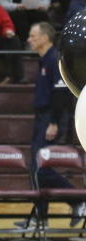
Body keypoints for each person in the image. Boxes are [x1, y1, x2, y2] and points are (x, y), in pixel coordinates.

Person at [24, 21, 86, 225]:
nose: (29, 40)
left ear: (45, 38)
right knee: (35, 167)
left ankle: (77, 200)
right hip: (42, 117)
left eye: (33, 36)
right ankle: (40, 217)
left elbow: (61, 93)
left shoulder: (54, 59)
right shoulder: (44, 60)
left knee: (41, 168)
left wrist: (53, 122)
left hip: (50, 118)